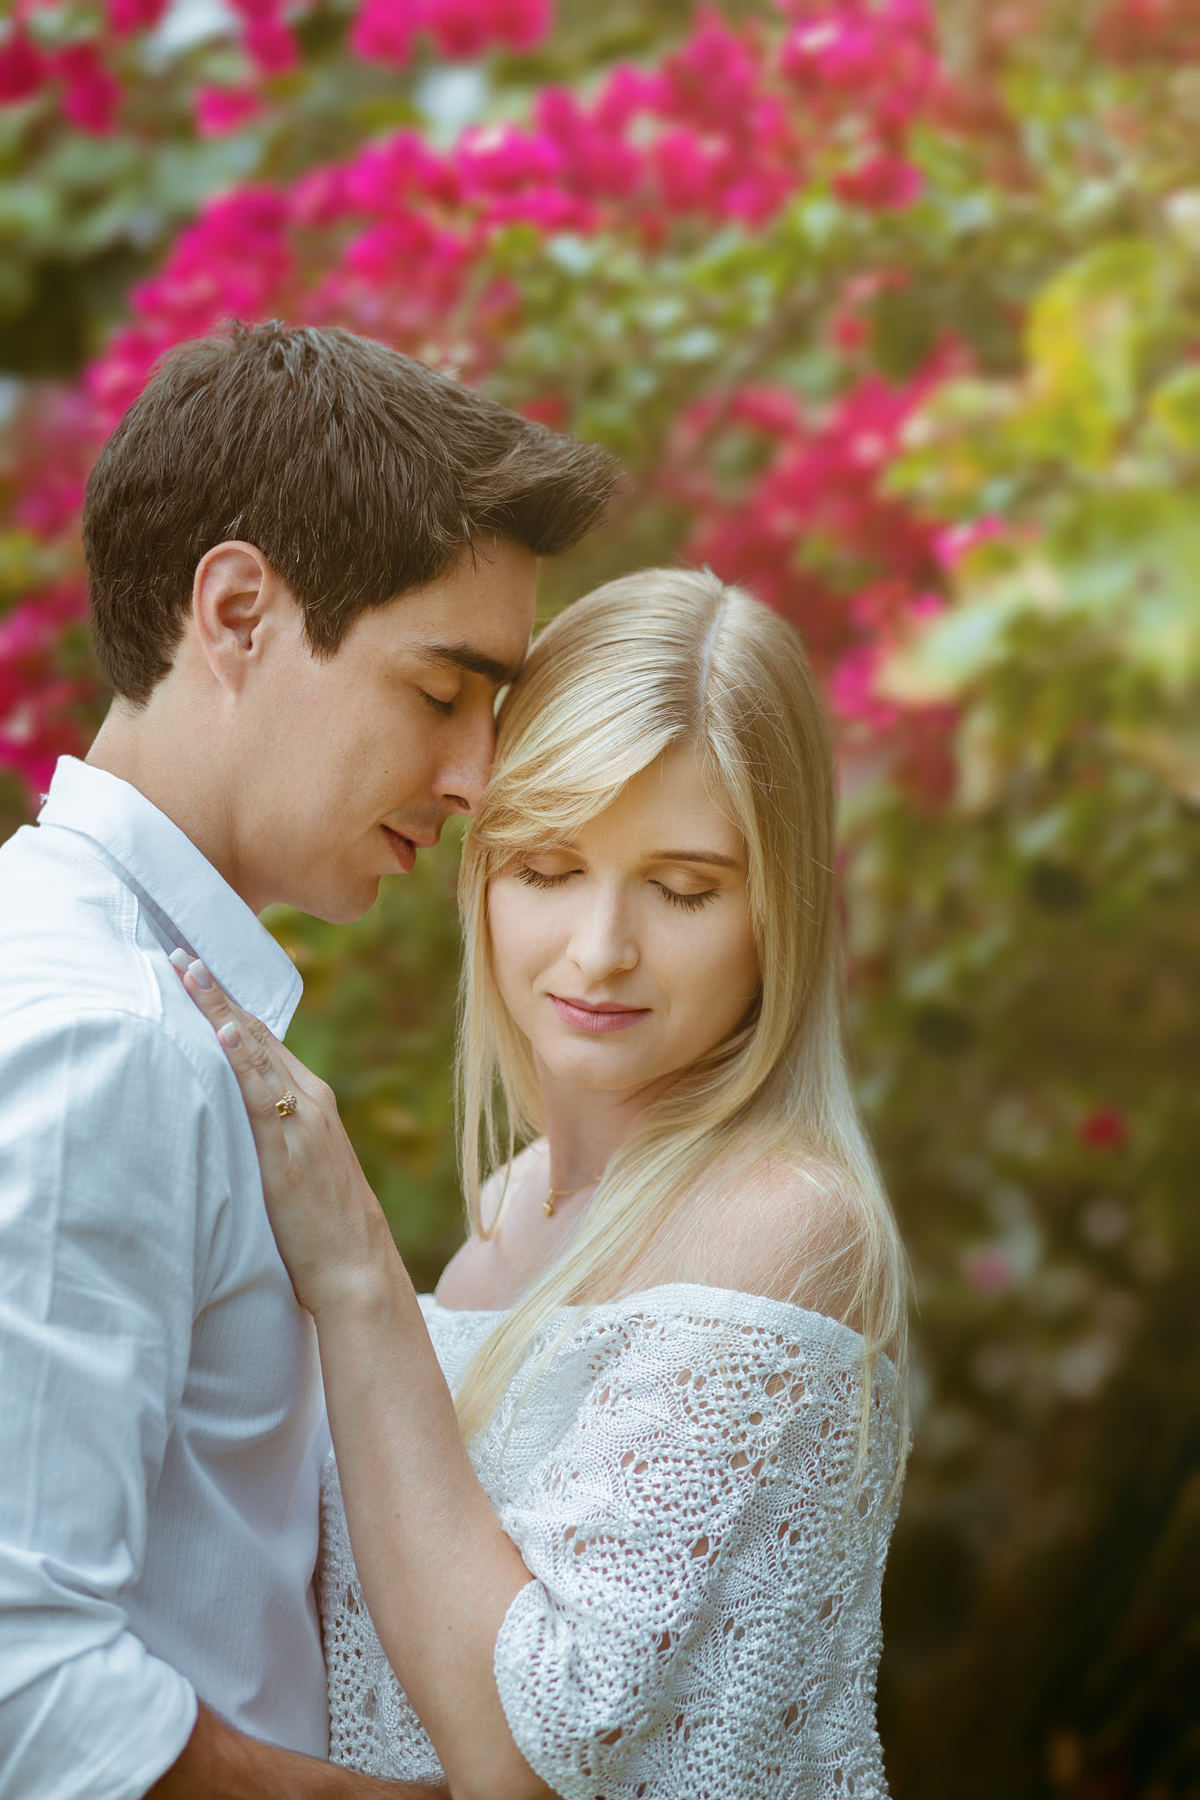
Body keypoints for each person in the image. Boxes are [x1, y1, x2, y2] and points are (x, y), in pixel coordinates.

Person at [0, 319, 618, 1800]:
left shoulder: (100, 977)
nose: (476, 781)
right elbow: (28, 1687)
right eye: (441, 692)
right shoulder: (107, 1040)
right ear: (237, 612)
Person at [174, 567, 913, 1800]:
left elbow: (523, 1759)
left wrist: (356, 1275)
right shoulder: (507, 1217)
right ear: (481, 876)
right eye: (549, 868)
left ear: (776, 913)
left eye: (683, 888)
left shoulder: (782, 1225)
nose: (601, 949)